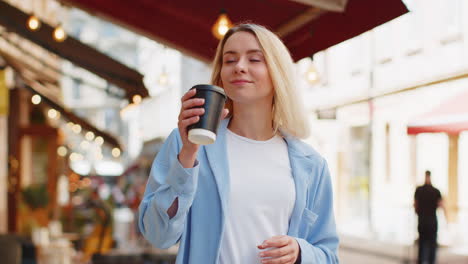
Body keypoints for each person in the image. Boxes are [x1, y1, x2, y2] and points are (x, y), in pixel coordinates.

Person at [139, 23, 339, 263]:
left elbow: (328, 255)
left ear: (277, 73)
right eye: (230, 60)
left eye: (255, 59)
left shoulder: (311, 164)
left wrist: (300, 252)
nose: (240, 67)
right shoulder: (187, 142)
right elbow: (158, 235)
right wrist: (188, 154)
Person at [414, 170, 446, 264]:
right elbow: (441, 205)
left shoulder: (419, 190)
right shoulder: (436, 191)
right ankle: (430, 261)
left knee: (422, 243)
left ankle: (422, 261)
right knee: (431, 244)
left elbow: (415, 205)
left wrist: (418, 213)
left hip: (423, 220)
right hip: (431, 221)